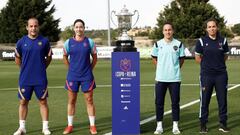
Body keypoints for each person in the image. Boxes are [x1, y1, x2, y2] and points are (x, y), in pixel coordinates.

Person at [14, 17, 52, 135]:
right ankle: (22, 128)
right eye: (31, 26)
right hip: (25, 78)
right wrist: (25, 69)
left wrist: (41, 67)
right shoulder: (21, 42)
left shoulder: (44, 41)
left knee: (43, 101)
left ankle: (45, 127)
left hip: (40, 78)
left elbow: (49, 58)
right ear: (27, 27)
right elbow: (17, 59)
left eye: (35, 26)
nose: (33, 28)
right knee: (23, 102)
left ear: (38, 27)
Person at [62, 19, 98, 135]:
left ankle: (92, 126)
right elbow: (65, 57)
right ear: (74, 28)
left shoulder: (90, 42)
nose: (79, 29)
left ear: (84, 28)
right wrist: (71, 69)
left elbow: (95, 58)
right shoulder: (68, 43)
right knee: (71, 100)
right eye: (77, 27)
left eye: (81, 27)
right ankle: (70, 126)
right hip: (72, 76)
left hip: (87, 76)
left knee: (89, 100)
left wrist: (89, 69)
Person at [195, 18, 230, 133]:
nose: (212, 28)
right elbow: (197, 57)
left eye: (213, 26)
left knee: (222, 100)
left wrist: (217, 65)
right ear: (206, 29)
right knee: (205, 101)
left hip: (221, 75)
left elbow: (225, 56)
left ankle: (223, 123)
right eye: (209, 27)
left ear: (217, 27)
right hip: (206, 75)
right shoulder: (201, 41)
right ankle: (203, 124)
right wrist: (207, 66)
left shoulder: (223, 40)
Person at [151, 22, 185, 135]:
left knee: (175, 103)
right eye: (165, 30)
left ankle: (175, 126)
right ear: (163, 32)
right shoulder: (157, 44)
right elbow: (154, 58)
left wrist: (173, 69)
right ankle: (159, 126)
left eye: (169, 30)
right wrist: (162, 69)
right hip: (160, 78)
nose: (167, 32)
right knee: (159, 103)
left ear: (173, 31)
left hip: (174, 79)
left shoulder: (179, 44)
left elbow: (181, 60)